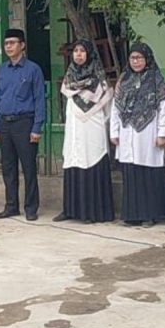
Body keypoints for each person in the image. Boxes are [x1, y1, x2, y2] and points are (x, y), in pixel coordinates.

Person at [110, 42, 165, 226]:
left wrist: (162, 133)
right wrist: (114, 131)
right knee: (131, 174)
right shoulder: (124, 79)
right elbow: (116, 107)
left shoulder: (156, 80)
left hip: (148, 134)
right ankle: (132, 215)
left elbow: (163, 107)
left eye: (139, 58)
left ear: (147, 59)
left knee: (147, 174)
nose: (136, 62)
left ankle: (149, 215)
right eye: (132, 58)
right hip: (127, 132)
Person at [53, 39, 115, 223]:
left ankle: (92, 211)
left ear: (90, 54)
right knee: (73, 161)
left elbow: (107, 109)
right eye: (76, 51)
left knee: (92, 160)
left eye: (82, 51)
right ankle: (71, 210)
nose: (78, 54)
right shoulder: (70, 79)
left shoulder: (99, 80)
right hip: (74, 128)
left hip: (93, 127)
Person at [0, 29, 46, 221]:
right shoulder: (0, 70)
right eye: (6, 43)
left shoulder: (33, 69)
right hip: (5, 123)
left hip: (25, 122)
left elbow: (39, 99)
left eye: (13, 43)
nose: (9, 47)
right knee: (8, 167)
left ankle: (31, 208)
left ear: (22, 45)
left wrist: (37, 127)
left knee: (29, 167)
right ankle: (11, 206)